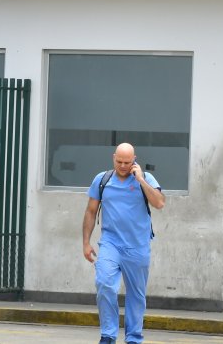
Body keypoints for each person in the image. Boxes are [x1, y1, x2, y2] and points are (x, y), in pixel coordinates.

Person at [81, 143, 166, 344]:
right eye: (119, 161)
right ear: (113, 158)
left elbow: (160, 203)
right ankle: (108, 335)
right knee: (104, 283)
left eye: (127, 162)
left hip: (138, 246)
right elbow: (91, 211)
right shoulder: (102, 180)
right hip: (111, 244)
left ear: (134, 159)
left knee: (136, 296)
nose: (123, 166)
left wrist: (141, 180)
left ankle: (133, 338)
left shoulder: (145, 179)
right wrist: (86, 242)